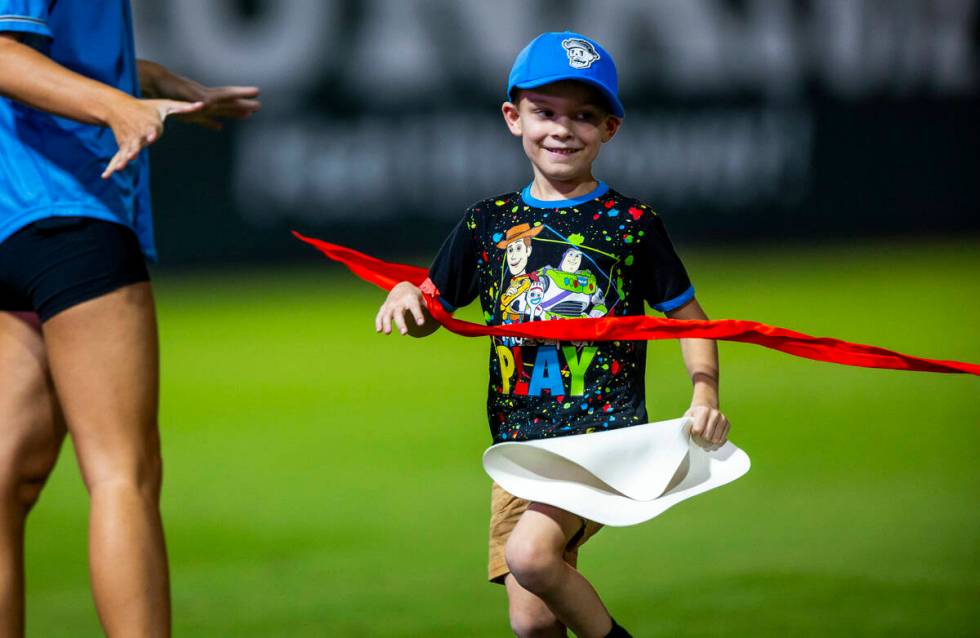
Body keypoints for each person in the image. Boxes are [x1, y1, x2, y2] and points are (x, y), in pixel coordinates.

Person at [375, 32, 730, 637]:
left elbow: (689, 316)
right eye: (545, 112)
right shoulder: (486, 223)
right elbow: (432, 309)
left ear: (610, 128)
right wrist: (408, 295)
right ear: (514, 118)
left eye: (584, 116)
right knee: (533, 624)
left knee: (531, 555)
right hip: (519, 450)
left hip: (601, 439)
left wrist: (705, 394)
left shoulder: (632, 224)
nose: (563, 129)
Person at [0, 2, 260, 636]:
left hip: (14, 211)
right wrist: (118, 108)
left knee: (7, 481)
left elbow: (53, 50)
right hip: (70, 209)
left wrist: (144, 78)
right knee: (123, 473)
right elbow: (3, 51)